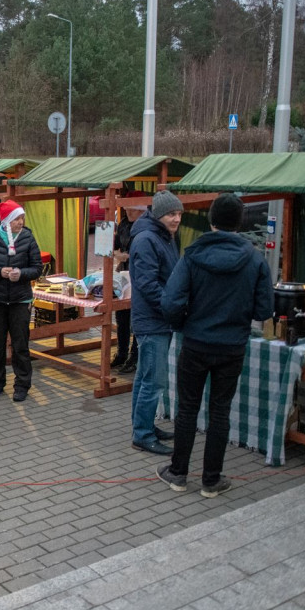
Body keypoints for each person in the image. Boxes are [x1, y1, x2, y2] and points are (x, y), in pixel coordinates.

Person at [158, 193, 273, 497]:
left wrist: (183, 324)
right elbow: (264, 311)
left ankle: (178, 473)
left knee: (187, 409)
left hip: (195, 343)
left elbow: (170, 301)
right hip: (231, 347)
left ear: (210, 221)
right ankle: (211, 480)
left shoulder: (192, 255)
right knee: (219, 411)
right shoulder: (255, 259)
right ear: (241, 222)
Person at [129, 190, 184, 455]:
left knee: (144, 377)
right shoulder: (147, 240)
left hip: (158, 319)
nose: (177, 219)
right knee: (154, 380)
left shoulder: (165, 236)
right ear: (160, 214)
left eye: (179, 214)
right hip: (153, 322)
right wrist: (172, 307)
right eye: (172, 214)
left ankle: (143, 424)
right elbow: (147, 284)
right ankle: (143, 434)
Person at [0, 200, 43, 403]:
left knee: (20, 343)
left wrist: (21, 273)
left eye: (22, 218)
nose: (21, 222)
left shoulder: (28, 238)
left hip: (20, 299)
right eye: (16, 219)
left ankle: (22, 384)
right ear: (6, 220)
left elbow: (37, 267)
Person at [112, 191, 147, 372]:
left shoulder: (147, 227)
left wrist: (130, 255)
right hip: (123, 273)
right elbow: (114, 247)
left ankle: (135, 357)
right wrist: (119, 254)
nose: (128, 212)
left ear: (141, 209)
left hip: (138, 275)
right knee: (121, 316)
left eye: (132, 209)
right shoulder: (124, 224)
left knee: (135, 317)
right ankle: (121, 353)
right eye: (127, 208)